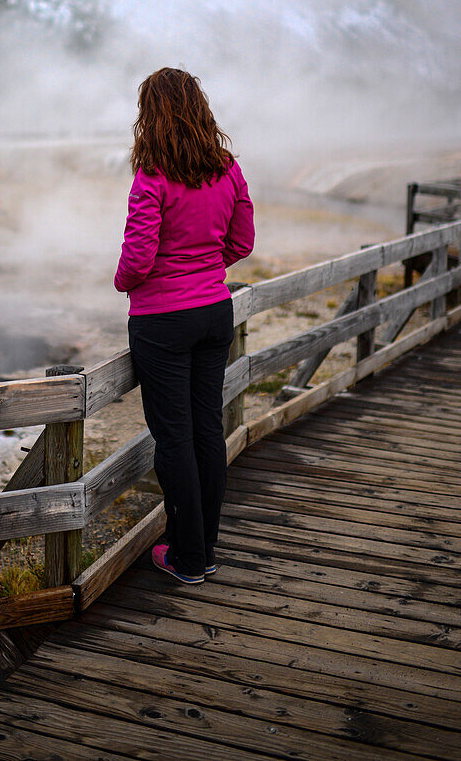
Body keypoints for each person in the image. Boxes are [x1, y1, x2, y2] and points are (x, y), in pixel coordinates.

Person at [114, 67, 255, 584]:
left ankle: (188, 558)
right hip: (214, 312)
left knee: (174, 438)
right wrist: (205, 269)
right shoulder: (228, 168)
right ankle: (202, 548)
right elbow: (242, 240)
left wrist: (124, 282)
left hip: (161, 322)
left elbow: (138, 256)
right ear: (199, 108)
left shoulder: (152, 175)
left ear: (151, 115)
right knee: (206, 431)